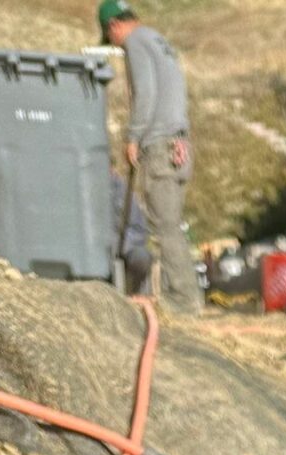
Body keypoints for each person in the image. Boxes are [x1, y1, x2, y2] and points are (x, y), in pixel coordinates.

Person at [99, 3, 202, 311]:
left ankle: (182, 301)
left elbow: (144, 92)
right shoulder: (158, 41)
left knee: (165, 227)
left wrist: (134, 136)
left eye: (110, 37)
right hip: (180, 146)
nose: (115, 45)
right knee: (171, 225)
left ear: (114, 26)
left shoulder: (136, 43)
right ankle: (184, 296)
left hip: (160, 148)